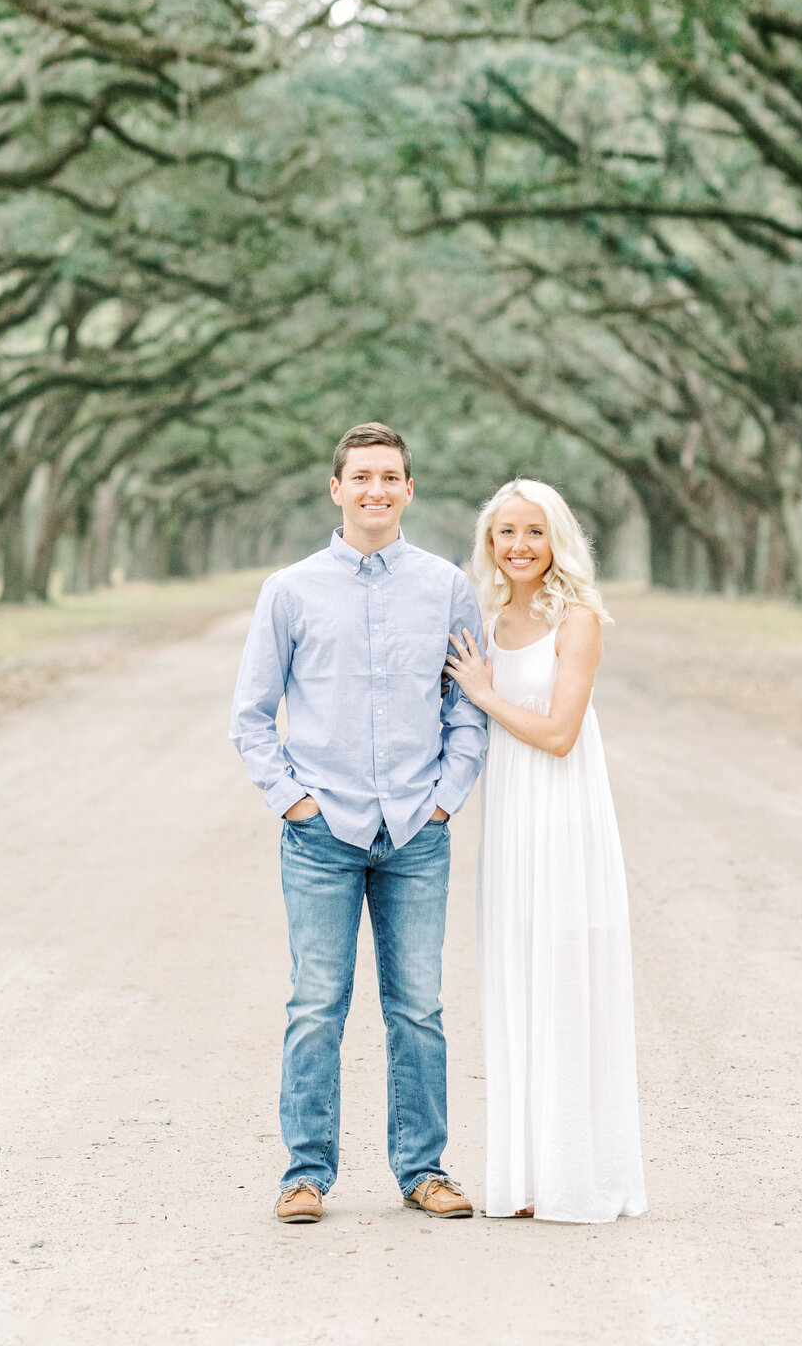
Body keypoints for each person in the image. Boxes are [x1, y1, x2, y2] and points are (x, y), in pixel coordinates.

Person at [229, 422, 489, 1225]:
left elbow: (467, 708)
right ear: (336, 489)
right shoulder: (291, 590)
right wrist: (295, 801)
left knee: (418, 1007)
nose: (376, 490)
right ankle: (305, 1174)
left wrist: (446, 797)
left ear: (409, 490)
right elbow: (250, 716)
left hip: (416, 829)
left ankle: (424, 1171)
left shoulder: (446, 586)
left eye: (391, 477)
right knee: (317, 1004)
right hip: (321, 834)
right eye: (362, 477)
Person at [444, 478, 646, 1224]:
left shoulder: (579, 619)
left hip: (563, 818)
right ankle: (525, 1178)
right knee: (514, 980)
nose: (520, 546)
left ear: (557, 538)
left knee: (562, 979)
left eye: (534, 531)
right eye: (506, 533)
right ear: (489, 544)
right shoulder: (487, 620)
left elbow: (560, 733)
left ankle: (575, 1176)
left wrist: (485, 692)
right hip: (509, 823)